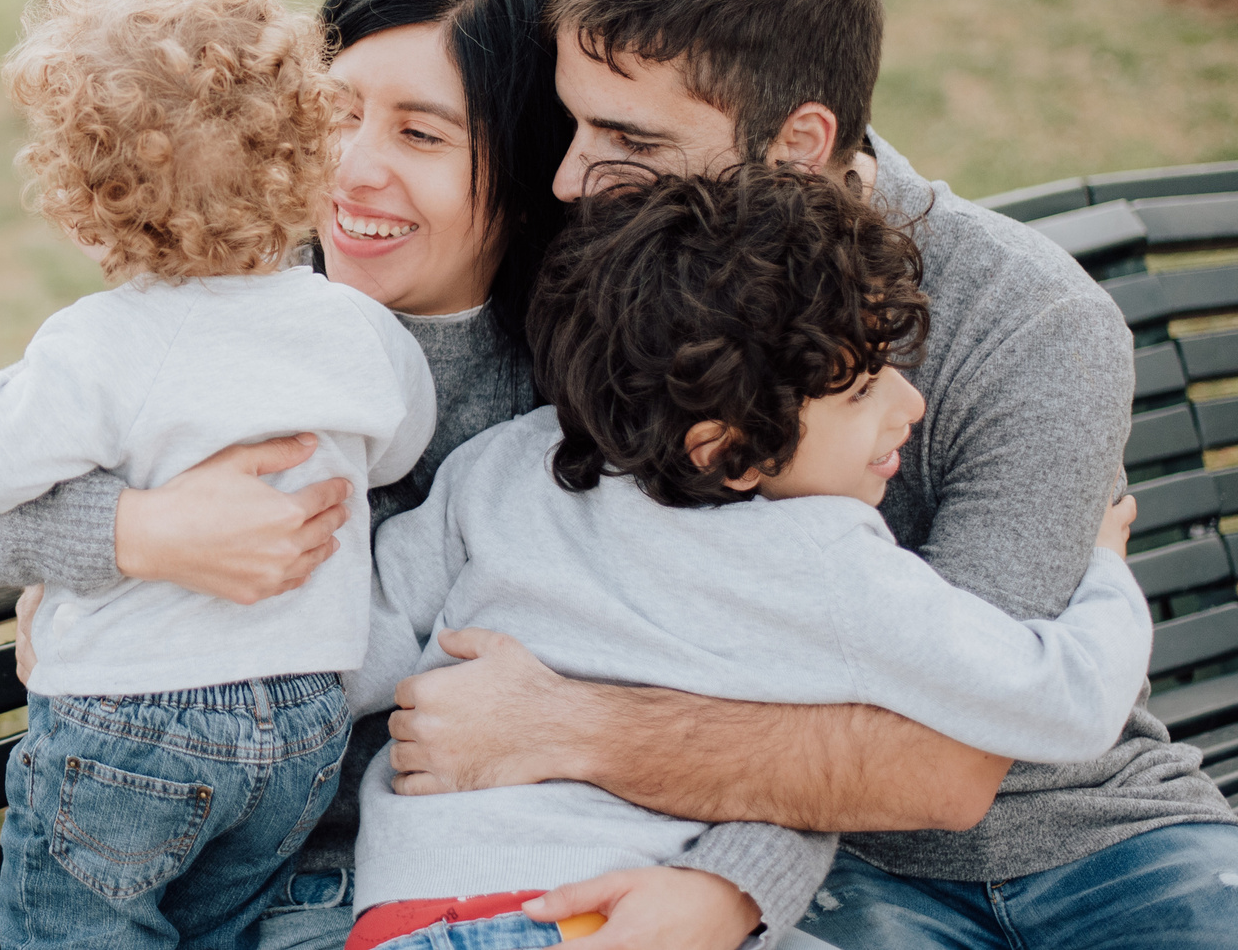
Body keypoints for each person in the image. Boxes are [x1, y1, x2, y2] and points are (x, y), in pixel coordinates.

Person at [0, 0, 837, 947]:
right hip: (275, 886)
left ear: (525, 165)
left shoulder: (603, 376)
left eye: (422, 134)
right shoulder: (226, 309)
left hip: (524, 878)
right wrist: (135, 534)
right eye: (334, 112)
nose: (352, 167)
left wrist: (729, 887)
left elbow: (781, 653)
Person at [379, 0, 1238, 950]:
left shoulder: (1032, 321)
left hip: (1096, 828)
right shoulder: (617, 277)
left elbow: (953, 752)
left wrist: (571, 725)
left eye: (627, 137)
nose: (569, 177)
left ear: (796, 143)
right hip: (806, 858)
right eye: (574, 124)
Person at [343, 165, 1153, 950]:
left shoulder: (507, 465)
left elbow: (350, 654)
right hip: (606, 919)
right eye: (863, 389)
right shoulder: (823, 557)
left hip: (404, 912)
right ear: (726, 451)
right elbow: (1062, 699)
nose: (910, 404)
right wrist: (1106, 574)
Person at [0, 0, 439, 948]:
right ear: (311, 154)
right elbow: (397, 447)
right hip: (302, 720)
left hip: (131, 722)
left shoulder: (99, 346)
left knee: (73, 929)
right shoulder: (353, 328)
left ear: (84, 200)